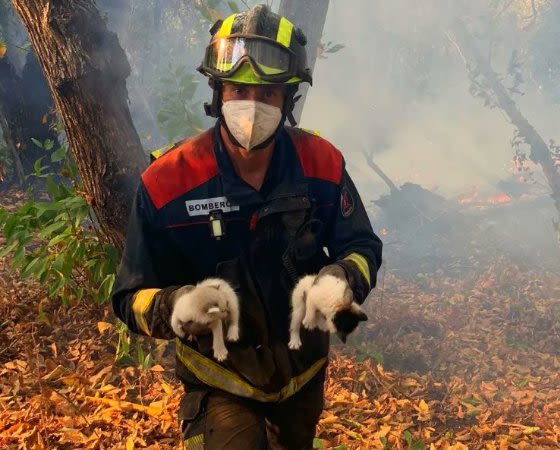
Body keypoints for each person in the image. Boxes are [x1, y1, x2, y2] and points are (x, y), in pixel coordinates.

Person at [110, 5, 382, 449]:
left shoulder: (322, 164)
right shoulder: (168, 182)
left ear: (288, 99)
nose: (252, 107)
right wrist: (177, 305)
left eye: (268, 93)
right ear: (218, 93)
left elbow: (363, 246)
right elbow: (128, 298)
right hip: (220, 380)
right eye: (239, 89)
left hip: (302, 375)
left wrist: (342, 277)